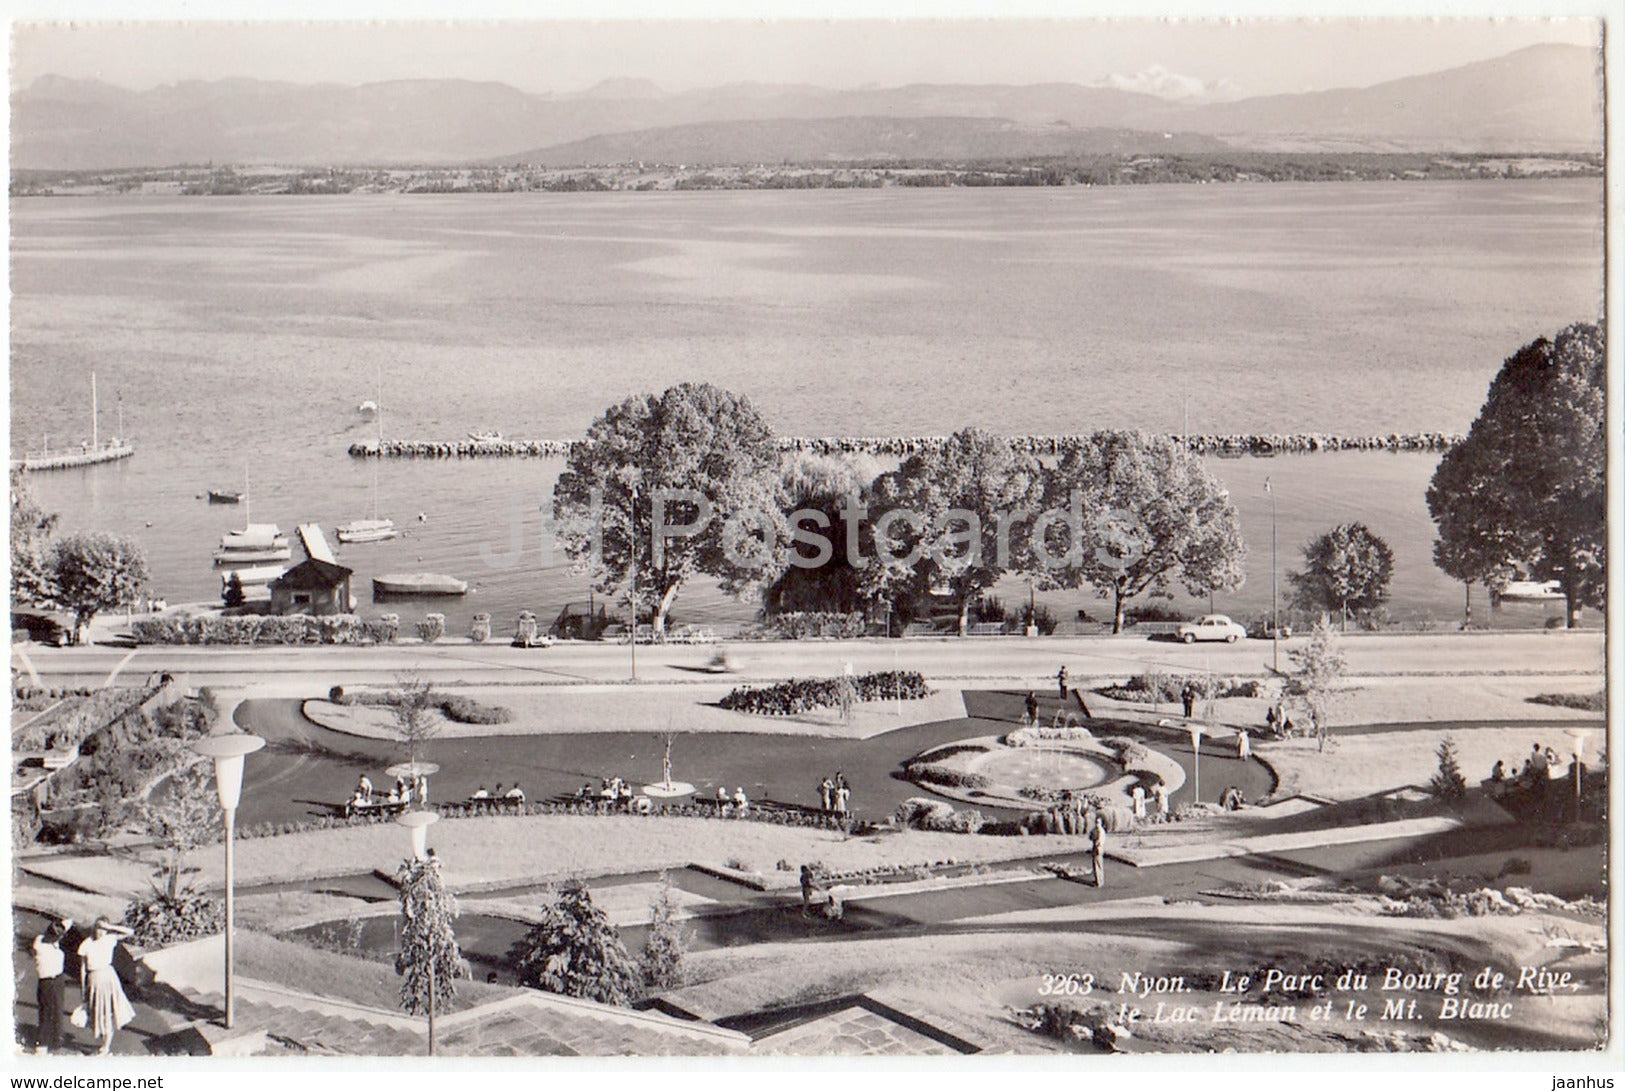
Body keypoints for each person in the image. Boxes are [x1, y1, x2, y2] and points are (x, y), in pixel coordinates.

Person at [78, 920, 135, 1055]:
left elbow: (130, 932)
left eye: (103, 929)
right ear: (94, 928)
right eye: (98, 928)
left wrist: (110, 927)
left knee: (108, 1012)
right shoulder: (86, 944)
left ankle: (106, 1046)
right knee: (97, 1012)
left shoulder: (109, 939)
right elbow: (83, 968)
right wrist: (82, 987)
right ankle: (104, 1041)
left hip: (108, 978)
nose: (100, 932)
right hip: (94, 979)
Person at [33, 919, 69, 1054]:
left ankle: (55, 1039)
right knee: (46, 1012)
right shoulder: (41, 947)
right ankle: (42, 1043)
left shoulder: (43, 940)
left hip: (58, 980)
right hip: (47, 981)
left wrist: (61, 926)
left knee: (57, 1011)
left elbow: (68, 922)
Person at [1090, 817, 1106, 888]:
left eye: (1098, 822)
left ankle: (1098, 882)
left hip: (1098, 848)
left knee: (1097, 865)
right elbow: (1090, 837)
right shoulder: (1096, 830)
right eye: (1096, 822)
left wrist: (1096, 843)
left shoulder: (1100, 831)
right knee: (1098, 865)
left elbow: (1098, 841)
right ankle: (1100, 880)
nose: (1097, 824)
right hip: (1096, 848)